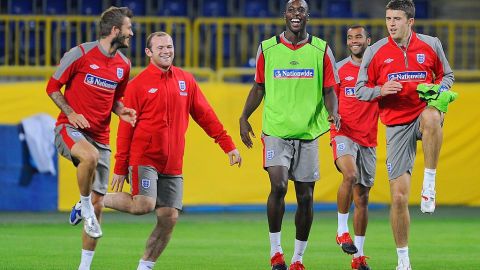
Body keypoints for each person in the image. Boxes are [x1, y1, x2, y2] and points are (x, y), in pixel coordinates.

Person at [101, 31, 242, 270]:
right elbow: (125, 129)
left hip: (173, 162)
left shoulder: (186, 80)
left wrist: (227, 145)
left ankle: (145, 267)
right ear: (148, 53)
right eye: (160, 48)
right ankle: (95, 199)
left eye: (169, 46)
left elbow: (205, 116)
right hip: (144, 157)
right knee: (144, 204)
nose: (167, 51)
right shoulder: (137, 86)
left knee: (169, 218)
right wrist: (120, 167)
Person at [239, 1, 339, 269]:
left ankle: (297, 258)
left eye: (301, 10)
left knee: (305, 197)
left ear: (308, 16)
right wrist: (244, 117)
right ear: (285, 16)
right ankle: (276, 252)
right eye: (291, 10)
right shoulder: (267, 48)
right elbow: (258, 87)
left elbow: (329, 90)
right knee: (279, 185)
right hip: (276, 131)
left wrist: (334, 112)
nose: (296, 15)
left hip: (308, 132)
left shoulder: (322, 50)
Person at [355, 0, 455, 269]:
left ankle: (429, 184)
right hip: (396, 125)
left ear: (410, 22)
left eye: (397, 19)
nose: (391, 24)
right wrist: (380, 90)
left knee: (433, 116)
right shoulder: (375, 51)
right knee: (398, 197)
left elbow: (447, 76)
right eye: (388, 19)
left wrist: (437, 89)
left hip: (422, 114)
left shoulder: (431, 44)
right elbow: (359, 89)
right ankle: (403, 261)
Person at [46, 6, 136, 270]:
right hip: (70, 128)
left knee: (98, 208)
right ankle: (83, 205)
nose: (132, 33)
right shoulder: (80, 54)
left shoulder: (124, 65)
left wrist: (123, 111)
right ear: (116, 30)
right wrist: (71, 113)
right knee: (90, 157)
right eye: (129, 28)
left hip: (101, 136)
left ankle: (83, 267)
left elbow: (115, 100)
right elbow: (52, 87)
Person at [331, 25, 377, 270]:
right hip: (343, 133)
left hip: (368, 139)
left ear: (368, 40)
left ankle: (358, 257)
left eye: (358, 36)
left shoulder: (377, 72)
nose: (354, 41)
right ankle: (341, 231)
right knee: (350, 174)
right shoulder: (339, 70)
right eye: (349, 37)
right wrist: (331, 113)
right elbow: (329, 99)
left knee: (362, 199)